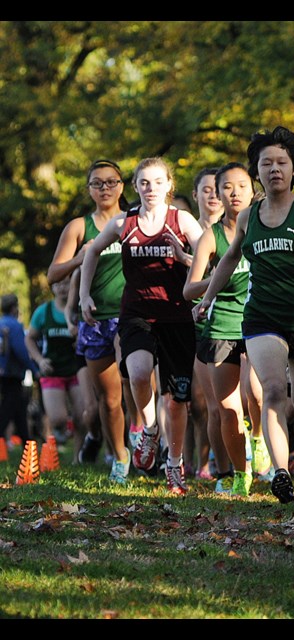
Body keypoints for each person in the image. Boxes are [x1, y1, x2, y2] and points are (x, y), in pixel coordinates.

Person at [195, 126, 294, 505]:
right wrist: (207, 299)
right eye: (266, 163)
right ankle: (281, 473)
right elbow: (229, 259)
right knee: (271, 390)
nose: (274, 169)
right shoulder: (249, 216)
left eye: (282, 162)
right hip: (263, 316)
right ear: (258, 171)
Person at [80, 156, 205, 495]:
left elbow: (209, 262)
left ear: (169, 185)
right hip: (136, 313)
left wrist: (184, 259)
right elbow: (91, 252)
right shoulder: (124, 223)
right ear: (135, 186)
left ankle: (175, 465)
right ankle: (149, 430)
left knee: (176, 400)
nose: (151, 189)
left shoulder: (184, 221)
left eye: (157, 182)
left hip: (177, 315)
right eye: (144, 183)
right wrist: (83, 295)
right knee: (136, 374)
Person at [184, 162, 264, 497]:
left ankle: (259, 442)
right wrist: (218, 279)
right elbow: (189, 291)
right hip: (220, 327)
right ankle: (237, 473)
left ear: (252, 190)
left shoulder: (266, 228)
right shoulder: (211, 237)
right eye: (227, 187)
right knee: (226, 409)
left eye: (242, 186)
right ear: (218, 194)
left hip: (259, 322)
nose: (234, 193)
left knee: (258, 393)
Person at [47, 159, 130, 476]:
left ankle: (145, 446)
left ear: (121, 186)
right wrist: (81, 256)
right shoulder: (79, 227)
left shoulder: (133, 221)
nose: (105, 188)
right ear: (89, 189)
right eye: (98, 183)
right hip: (95, 321)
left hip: (131, 316)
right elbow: (53, 273)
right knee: (106, 402)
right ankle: (113, 453)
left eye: (111, 182)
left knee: (134, 379)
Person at [186, 168, 225, 483]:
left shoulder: (238, 229)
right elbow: (187, 284)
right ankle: (193, 461)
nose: (213, 195)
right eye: (206, 190)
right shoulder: (186, 230)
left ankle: (218, 460)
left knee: (225, 400)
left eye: (217, 189)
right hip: (190, 320)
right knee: (195, 402)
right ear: (196, 194)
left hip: (229, 319)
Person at [26, 279, 85, 456]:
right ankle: (58, 434)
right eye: (58, 284)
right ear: (51, 287)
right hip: (53, 371)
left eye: (66, 283)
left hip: (76, 369)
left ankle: (78, 457)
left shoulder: (79, 309)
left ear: (73, 284)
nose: (62, 288)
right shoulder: (43, 312)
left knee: (82, 417)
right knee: (58, 419)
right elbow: (29, 338)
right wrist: (39, 360)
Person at [0, 294, 39, 445]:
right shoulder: (15, 326)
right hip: (12, 373)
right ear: (14, 308)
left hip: (3, 372)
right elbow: (21, 351)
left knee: (19, 407)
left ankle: (26, 441)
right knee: (8, 407)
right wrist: (34, 369)